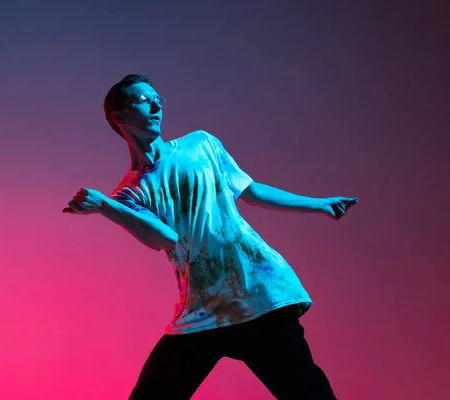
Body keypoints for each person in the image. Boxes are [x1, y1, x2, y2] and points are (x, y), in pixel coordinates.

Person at [63, 74, 358, 399]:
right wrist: (106, 205)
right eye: (145, 100)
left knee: (308, 394)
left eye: (158, 98)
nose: (158, 105)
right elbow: (164, 238)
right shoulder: (129, 195)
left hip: (258, 294)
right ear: (119, 117)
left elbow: (253, 192)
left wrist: (320, 204)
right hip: (203, 311)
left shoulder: (201, 144)